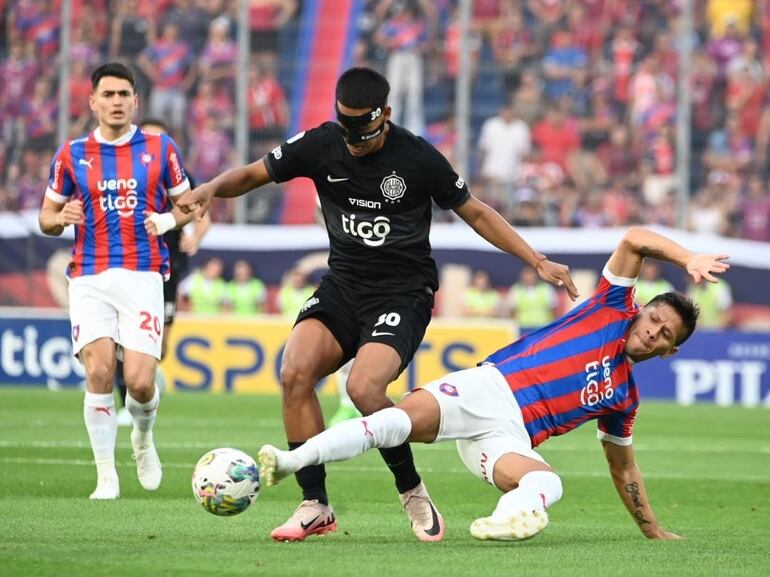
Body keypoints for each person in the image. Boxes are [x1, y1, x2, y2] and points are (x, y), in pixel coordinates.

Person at [176, 66, 577, 542]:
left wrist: (535, 260)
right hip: (343, 286)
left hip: (404, 293)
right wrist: (209, 190)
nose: (352, 140)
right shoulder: (321, 143)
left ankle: (411, 490)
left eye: (362, 131)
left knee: (366, 390)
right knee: (295, 372)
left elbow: (476, 212)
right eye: (344, 128)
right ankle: (315, 505)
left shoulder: (417, 157)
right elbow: (254, 173)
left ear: (384, 115)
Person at [257, 227, 729, 542]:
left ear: (669, 350)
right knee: (393, 422)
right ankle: (291, 460)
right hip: (489, 387)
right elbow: (634, 239)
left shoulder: (624, 398)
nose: (652, 331)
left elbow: (623, 469)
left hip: (509, 437)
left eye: (665, 334)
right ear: (642, 309)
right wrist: (688, 257)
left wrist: (654, 532)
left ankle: (505, 520)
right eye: (653, 319)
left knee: (547, 480)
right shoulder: (611, 304)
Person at [38, 63, 193, 499]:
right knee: (100, 369)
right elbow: (46, 216)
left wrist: (164, 221)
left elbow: (189, 206)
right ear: (93, 102)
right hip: (88, 275)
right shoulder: (71, 154)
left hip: (144, 275)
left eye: (124, 94)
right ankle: (106, 474)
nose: (117, 102)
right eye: (108, 95)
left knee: (141, 382)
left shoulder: (160, 148)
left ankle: (142, 438)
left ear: (136, 100)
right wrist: (60, 217)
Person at [116, 117, 212, 427]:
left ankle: (148, 376)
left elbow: (201, 215)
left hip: (167, 267)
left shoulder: (181, 178)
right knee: (122, 337)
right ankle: (129, 399)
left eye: (162, 138)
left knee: (160, 342)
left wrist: (194, 237)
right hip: (127, 264)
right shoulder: (121, 175)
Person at [507, 266, 558, 331]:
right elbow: (513, 311)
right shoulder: (516, 289)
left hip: (543, 327)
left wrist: (551, 327)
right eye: (526, 274)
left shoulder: (547, 288)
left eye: (531, 273)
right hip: (522, 327)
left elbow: (553, 310)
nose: (529, 277)